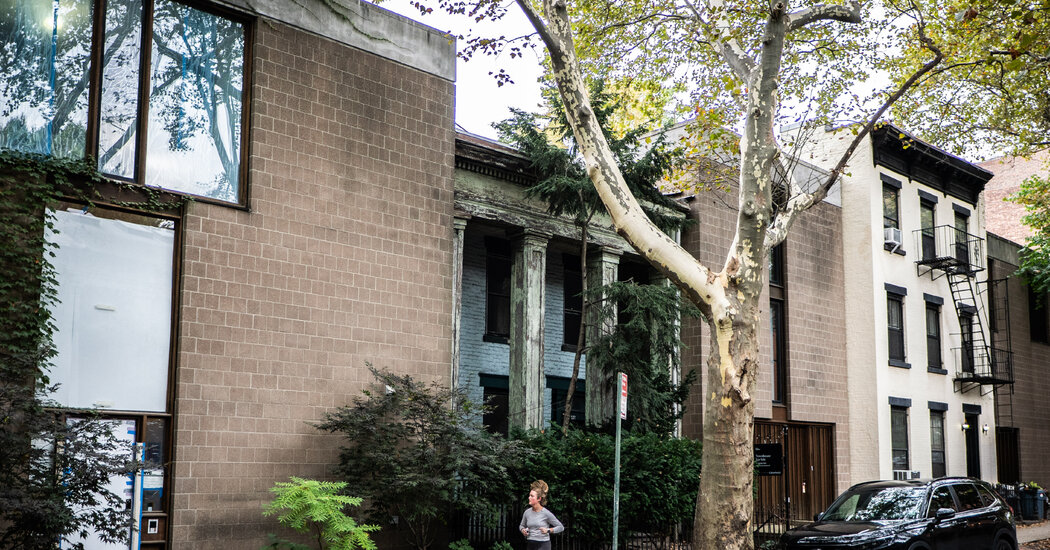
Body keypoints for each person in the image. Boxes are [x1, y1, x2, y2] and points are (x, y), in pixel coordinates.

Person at [519, 480, 564, 550]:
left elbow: (561, 527)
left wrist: (548, 530)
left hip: (543, 544)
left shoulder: (546, 513)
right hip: (530, 544)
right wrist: (523, 530)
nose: (529, 497)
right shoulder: (527, 512)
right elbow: (521, 525)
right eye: (529, 495)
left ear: (539, 499)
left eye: (532, 496)